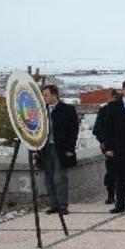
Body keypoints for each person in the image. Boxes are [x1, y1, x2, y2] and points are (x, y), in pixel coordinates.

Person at [101, 80, 125, 213]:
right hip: (117, 149)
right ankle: (120, 204)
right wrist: (108, 148)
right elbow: (107, 129)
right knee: (119, 179)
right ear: (123, 90)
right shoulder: (113, 107)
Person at [38, 85, 79, 215]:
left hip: (60, 148)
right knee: (48, 177)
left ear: (54, 95)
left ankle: (62, 205)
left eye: (46, 95)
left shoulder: (67, 109)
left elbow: (73, 131)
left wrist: (70, 148)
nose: (44, 97)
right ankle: (53, 204)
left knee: (59, 177)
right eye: (43, 95)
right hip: (45, 148)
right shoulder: (41, 111)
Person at [93, 89, 119, 204]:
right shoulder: (104, 111)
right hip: (110, 148)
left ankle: (124, 196)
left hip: (124, 148)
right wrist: (105, 147)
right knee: (111, 174)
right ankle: (111, 195)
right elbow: (97, 130)